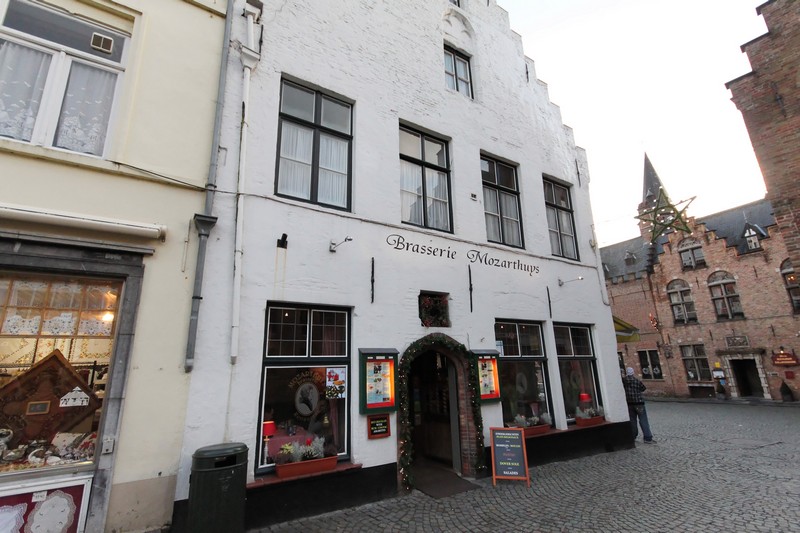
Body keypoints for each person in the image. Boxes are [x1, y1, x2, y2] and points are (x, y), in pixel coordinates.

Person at [622, 367, 656, 443]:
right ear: (633, 372)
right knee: (643, 420)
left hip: (630, 403)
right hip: (639, 403)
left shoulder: (624, 381)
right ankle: (647, 437)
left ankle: (633, 436)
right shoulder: (637, 381)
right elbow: (643, 388)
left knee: (632, 420)